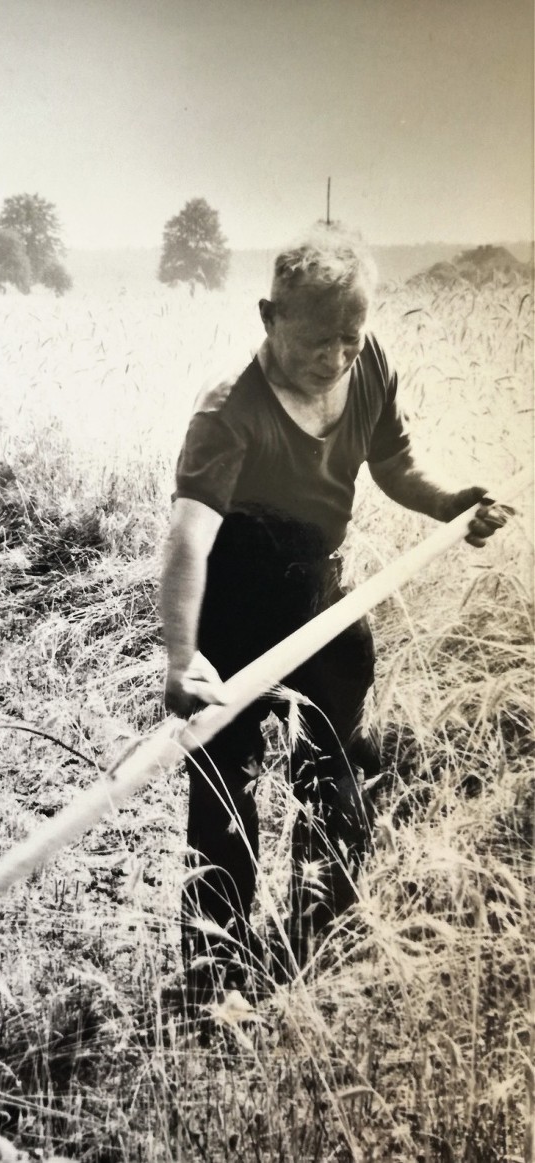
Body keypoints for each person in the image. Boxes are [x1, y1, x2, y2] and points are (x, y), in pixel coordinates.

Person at [159, 223, 510, 1002]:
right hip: (236, 602)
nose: (336, 357)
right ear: (267, 316)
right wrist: (183, 657)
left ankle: (320, 934)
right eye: (318, 340)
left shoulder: (369, 361)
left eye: (350, 338)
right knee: (227, 790)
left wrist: (451, 502)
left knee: (338, 767)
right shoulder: (228, 412)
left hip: (321, 592)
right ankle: (214, 969)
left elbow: (394, 464)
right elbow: (188, 540)